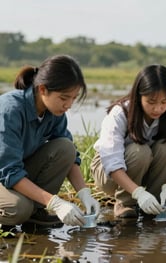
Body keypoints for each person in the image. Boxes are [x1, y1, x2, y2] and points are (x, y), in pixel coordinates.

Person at [0, 55, 100, 230]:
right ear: (43, 89)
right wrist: (55, 202)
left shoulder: (53, 112)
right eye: (64, 98)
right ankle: (23, 211)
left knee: (65, 148)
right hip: (5, 174)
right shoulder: (10, 110)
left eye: (73, 98)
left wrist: (85, 193)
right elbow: (9, 171)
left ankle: (35, 212)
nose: (68, 105)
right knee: (19, 208)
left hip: (14, 174)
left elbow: (70, 155)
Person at [90, 64, 166, 218]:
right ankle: (125, 202)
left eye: (164, 102)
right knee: (140, 151)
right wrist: (138, 193)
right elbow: (112, 162)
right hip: (108, 174)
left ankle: (156, 201)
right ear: (138, 96)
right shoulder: (120, 113)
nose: (158, 108)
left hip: (144, 168)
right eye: (151, 102)